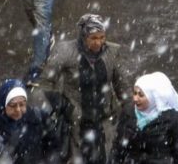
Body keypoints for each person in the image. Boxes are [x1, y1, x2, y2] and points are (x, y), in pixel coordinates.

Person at [39, 14, 128, 164]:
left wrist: (128, 108)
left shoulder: (112, 53)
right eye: (93, 38)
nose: (98, 42)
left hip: (103, 118)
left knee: (103, 157)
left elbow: (122, 85)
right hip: (75, 117)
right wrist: (62, 104)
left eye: (102, 37)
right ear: (83, 36)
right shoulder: (66, 51)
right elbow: (44, 82)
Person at [111, 72, 178, 164]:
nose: (135, 98)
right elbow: (117, 148)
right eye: (135, 93)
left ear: (153, 97)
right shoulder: (128, 114)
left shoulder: (174, 121)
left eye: (141, 95)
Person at [0, 80, 59, 164]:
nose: (18, 109)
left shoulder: (38, 118)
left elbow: (54, 147)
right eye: (13, 105)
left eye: (22, 104)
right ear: (3, 105)